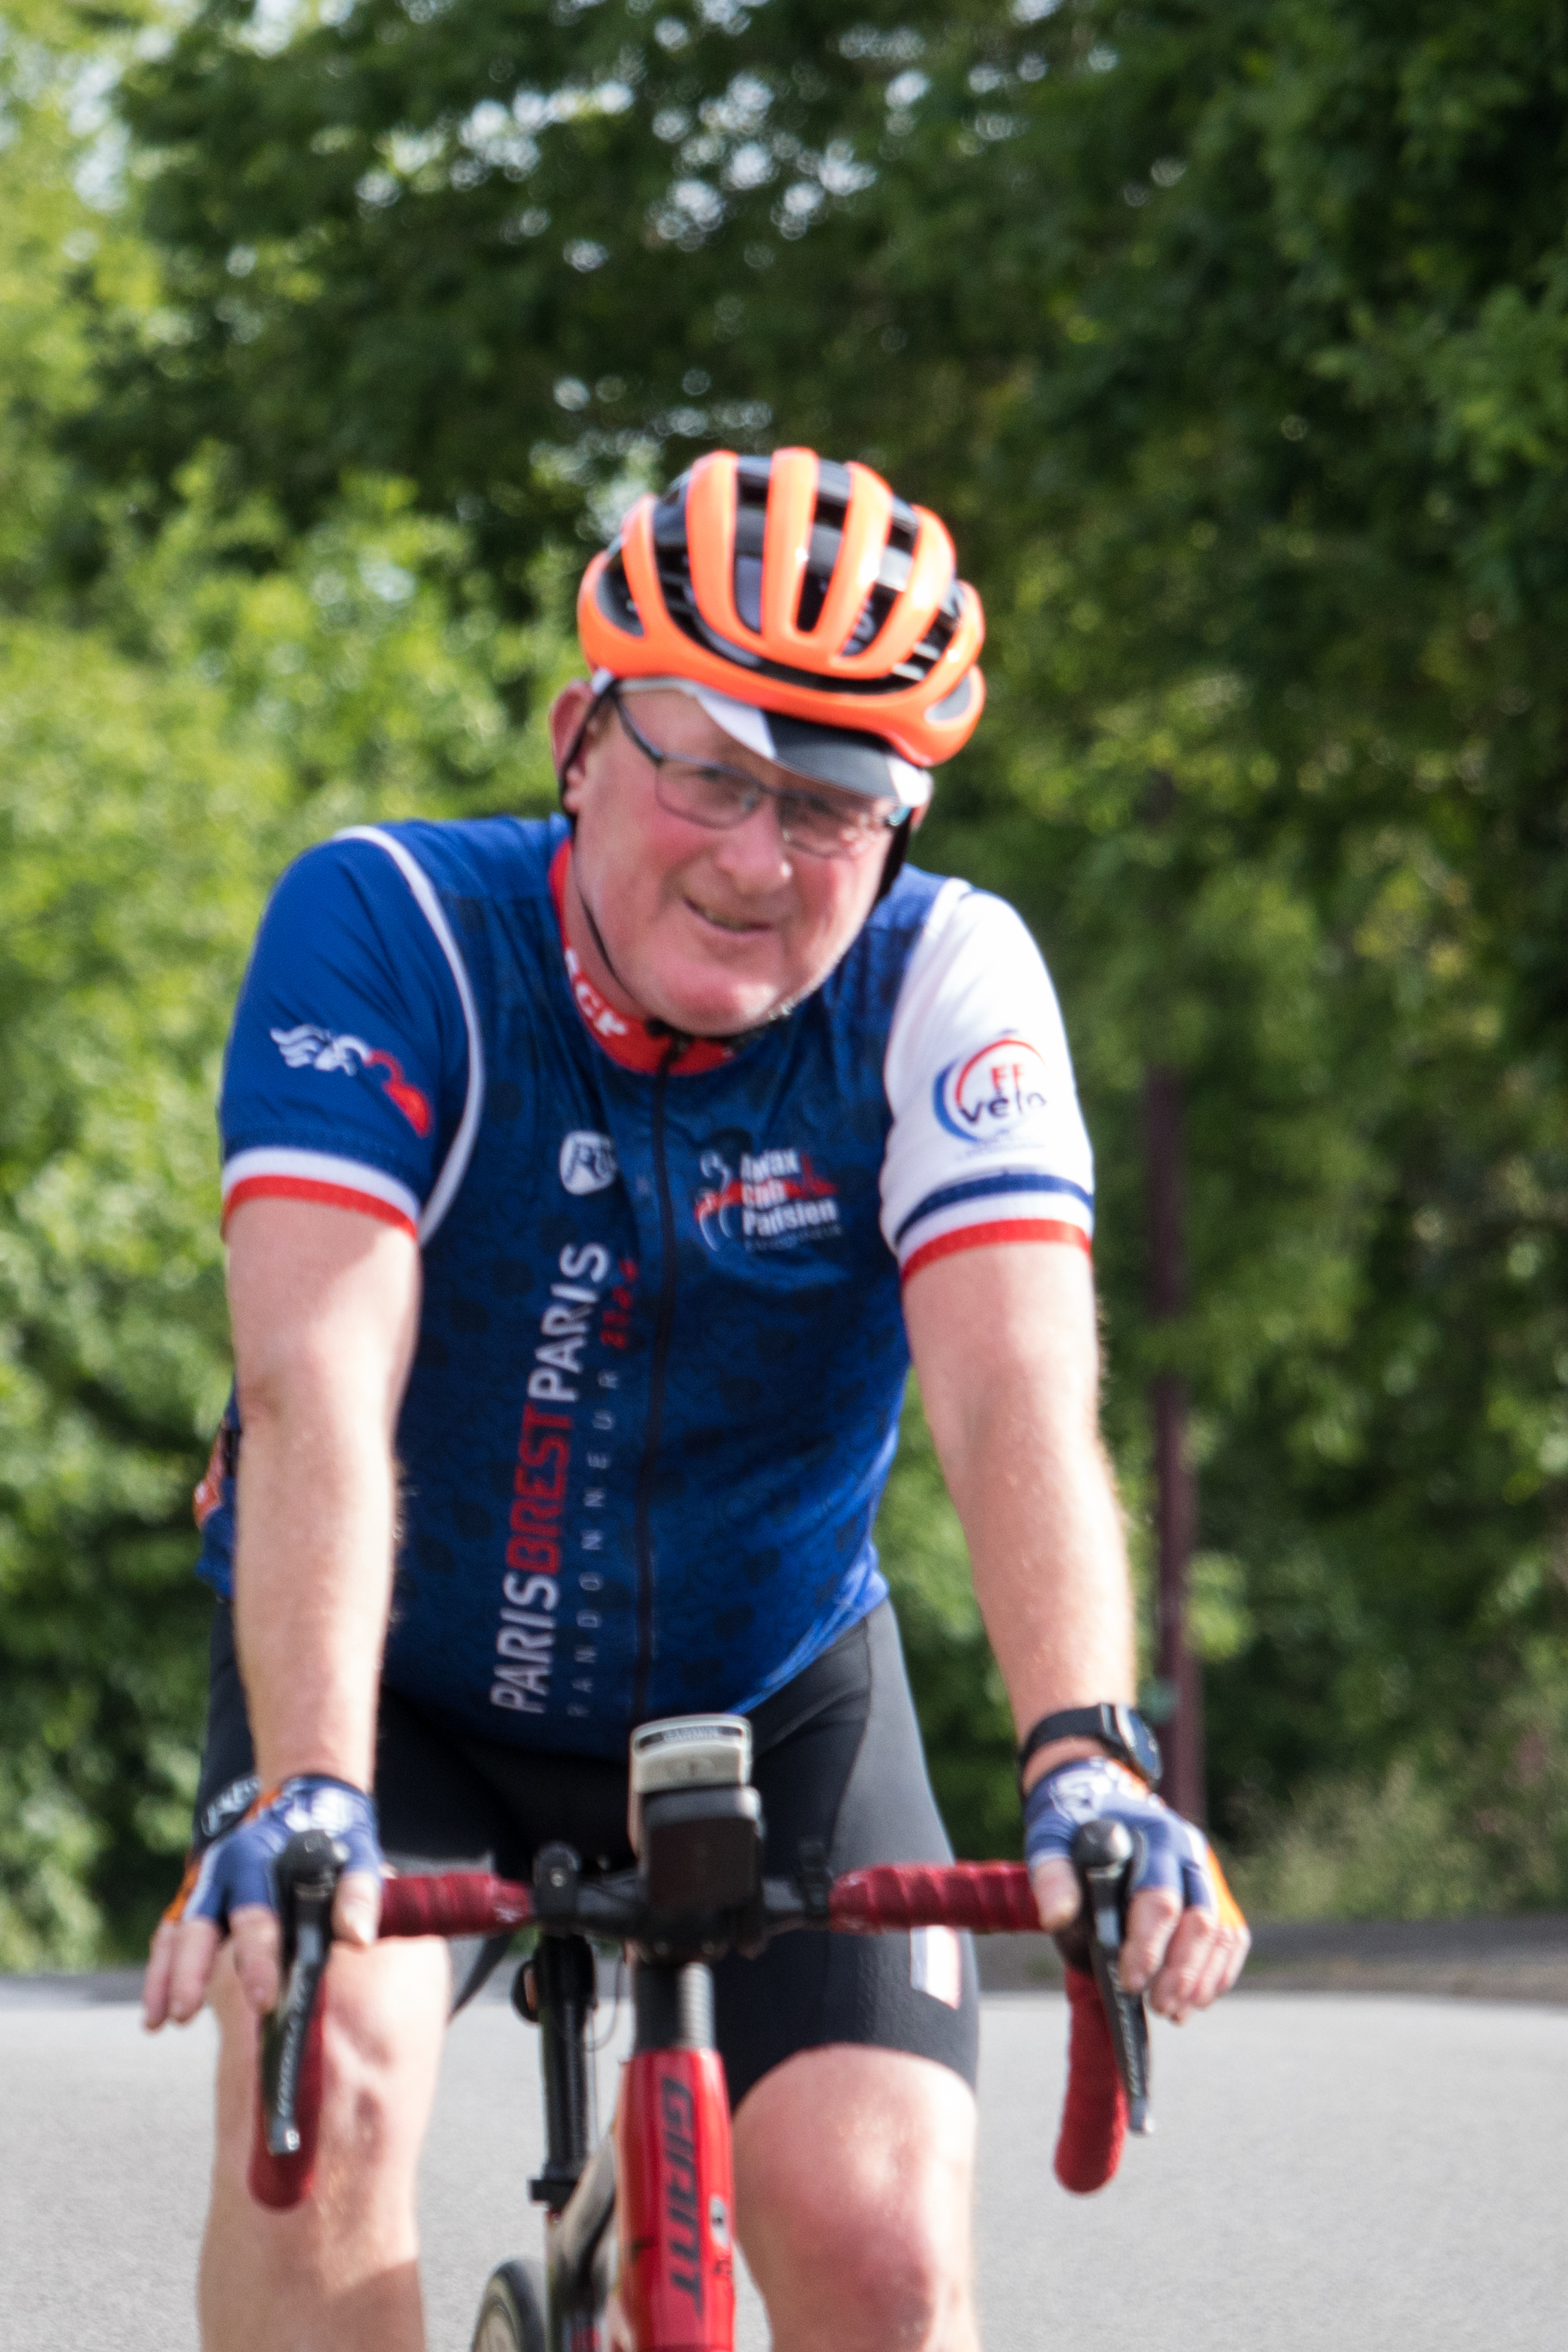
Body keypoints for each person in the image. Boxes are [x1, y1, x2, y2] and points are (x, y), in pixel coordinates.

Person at [143, 446, 1248, 2352]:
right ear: (580, 741)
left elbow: (1014, 1393)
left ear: (902, 825)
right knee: (328, 2103)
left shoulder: (943, 979)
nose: (758, 860)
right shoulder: (395, 931)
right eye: (712, 773)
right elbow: (315, 1386)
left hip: (773, 1691)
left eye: (829, 806)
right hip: (396, 1694)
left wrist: (1086, 1747)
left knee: (883, 2252)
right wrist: (311, 1779)